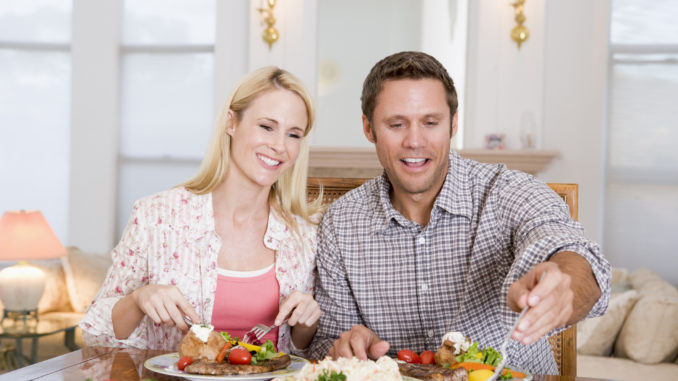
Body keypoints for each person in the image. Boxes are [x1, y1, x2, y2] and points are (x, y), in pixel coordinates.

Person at [309, 51, 610, 374]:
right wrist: (346, 344)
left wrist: (565, 282)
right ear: (369, 129)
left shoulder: (510, 192)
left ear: (453, 123)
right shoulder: (340, 222)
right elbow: (324, 342)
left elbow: (573, 253)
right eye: (396, 124)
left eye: (430, 122)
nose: (414, 141)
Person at [80, 66, 324, 354]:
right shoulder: (156, 216)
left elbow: (300, 354)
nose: (279, 146)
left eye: (293, 135)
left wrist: (306, 326)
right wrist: (138, 299)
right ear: (231, 123)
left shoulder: (304, 236)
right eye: (267, 127)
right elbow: (96, 334)